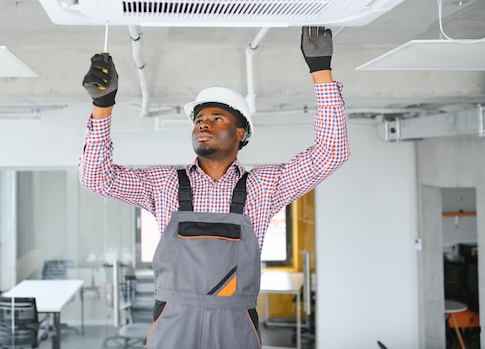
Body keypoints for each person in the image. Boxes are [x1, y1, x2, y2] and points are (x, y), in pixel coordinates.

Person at [78, 26, 350, 349]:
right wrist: (102, 106)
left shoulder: (263, 188)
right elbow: (95, 177)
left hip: (233, 328)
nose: (203, 123)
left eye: (216, 118)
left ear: (240, 132)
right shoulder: (165, 183)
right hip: (174, 325)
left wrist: (321, 70)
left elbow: (332, 152)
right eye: (198, 119)